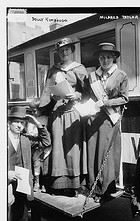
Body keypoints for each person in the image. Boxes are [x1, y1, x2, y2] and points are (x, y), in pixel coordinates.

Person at [39, 37, 88, 197]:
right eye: (61, 51)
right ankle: (56, 184)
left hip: (73, 113)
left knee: (72, 150)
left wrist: (77, 94)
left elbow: (87, 91)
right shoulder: (53, 71)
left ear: (72, 51)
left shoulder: (80, 69)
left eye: (67, 49)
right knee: (58, 149)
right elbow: (47, 92)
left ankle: (74, 185)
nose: (64, 52)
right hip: (56, 113)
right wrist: (53, 97)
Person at [85, 43, 129, 203]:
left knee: (107, 155)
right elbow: (89, 95)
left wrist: (107, 102)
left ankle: (104, 189)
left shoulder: (120, 75)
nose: (105, 60)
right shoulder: (92, 76)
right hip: (94, 118)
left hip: (110, 120)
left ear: (114, 58)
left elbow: (124, 99)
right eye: (102, 57)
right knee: (93, 153)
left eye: (108, 57)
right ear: (98, 58)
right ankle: (93, 187)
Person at [8, 106, 51, 221]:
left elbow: (46, 142)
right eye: (16, 122)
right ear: (9, 122)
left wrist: (37, 123)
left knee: (21, 219)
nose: (19, 125)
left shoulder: (26, 139)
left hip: (22, 185)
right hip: (6, 185)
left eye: (22, 123)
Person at [27, 98, 52, 192]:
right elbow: (30, 131)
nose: (34, 112)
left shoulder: (46, 119)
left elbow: (46, 134)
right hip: (35, 144)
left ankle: (44, 183)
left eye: (35, 110)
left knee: (44, 165)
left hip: (44, 145)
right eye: (32, 110)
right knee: (35, 163)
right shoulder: (30, 119)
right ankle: (36, 181)